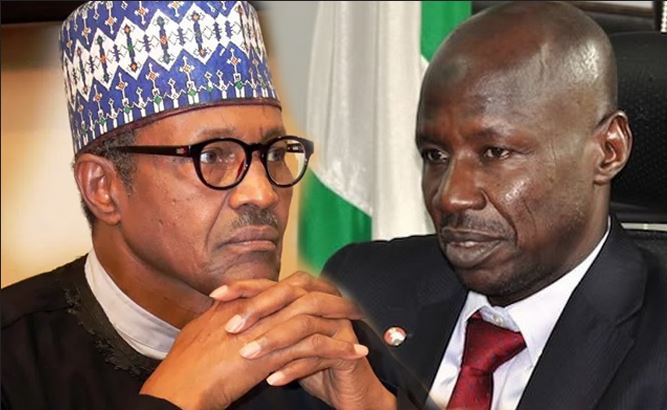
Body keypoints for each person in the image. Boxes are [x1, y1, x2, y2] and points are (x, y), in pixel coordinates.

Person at [1, 2, 398, 409]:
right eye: (212, 156)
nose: (262, 193)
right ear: (103, 188)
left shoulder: (327, 345)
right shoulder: (14, 362)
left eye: (276, 153)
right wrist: (179, 398)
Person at [323, 2, 667, 410]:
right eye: (435, 155)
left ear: (608, 150)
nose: (451, 196)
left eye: (495, 152)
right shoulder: (360, 292)